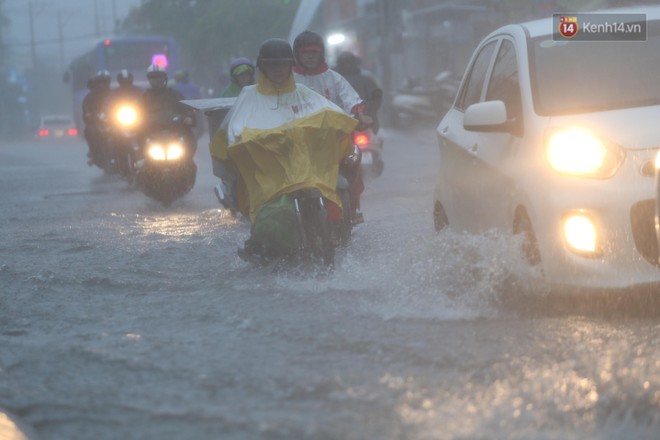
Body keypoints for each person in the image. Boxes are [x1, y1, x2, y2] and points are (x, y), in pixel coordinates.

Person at [209, 38, 357, 255]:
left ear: (290, 66)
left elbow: (328, 114)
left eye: (283, 65)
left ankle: (336, 232)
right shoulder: (250, 96)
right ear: (263, 67)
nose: (278, 70)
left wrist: (344, 123)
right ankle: (262, 244)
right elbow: (234, 131)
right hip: (268, 176)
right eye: (272, 65)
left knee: (337, 195)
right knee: (272, 220)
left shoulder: (303, 94)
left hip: (305, 169)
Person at [292, 30, 371, 223]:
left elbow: (351, 100)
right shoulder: (289, 80)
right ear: (297, 55)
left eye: (314, 53)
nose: (310, 57)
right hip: (299, 145)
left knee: (355, 161)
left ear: (321, 54)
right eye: (305, 53)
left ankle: (352, 209)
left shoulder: (333, 78)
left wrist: (358, 114)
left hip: (334, 142)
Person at [140, 64, 197, 153]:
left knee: (189, 139)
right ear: (149, 79)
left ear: (164, 78)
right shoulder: (144, 97)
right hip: (151, 133)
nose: (156, 79)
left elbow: (187, 108)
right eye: (153, 77)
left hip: (175, 132)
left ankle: (187, 160)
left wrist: (188, 117)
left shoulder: (174, 94)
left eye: (158, 76)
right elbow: (136, 114)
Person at [334, 51, 382, 133]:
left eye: (348, 62)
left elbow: (376, 98)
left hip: (363, 120)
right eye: (344, 63)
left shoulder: (366, 79)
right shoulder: (332, 79)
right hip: (339, 122)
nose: (347, 65)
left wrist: (368, 111)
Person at [82, 69, 112, 166]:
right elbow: (86, 109)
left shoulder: (114, 94)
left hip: (114, 121)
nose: (103, 84)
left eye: (105, 81)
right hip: (97, 122)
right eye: (101, 81)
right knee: (89, 131)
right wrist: (89, 115)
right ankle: (93, 151)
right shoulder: (90, 97)